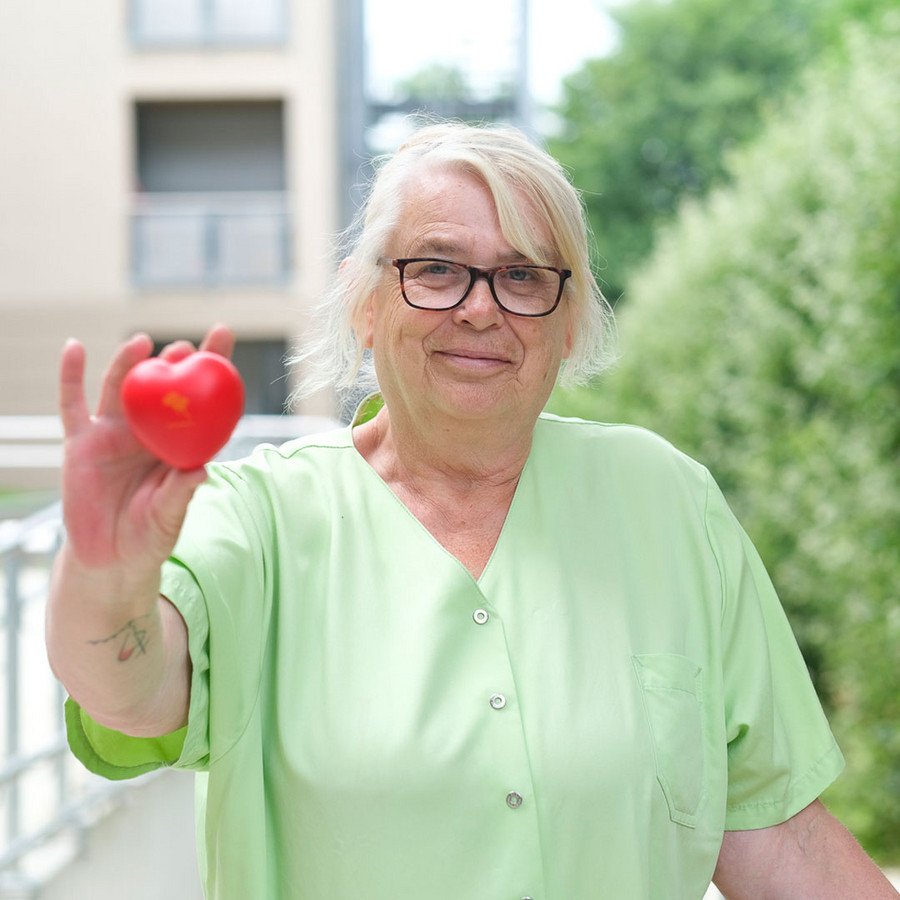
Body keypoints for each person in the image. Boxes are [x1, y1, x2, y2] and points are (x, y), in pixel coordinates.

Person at [47, 122, 896, 899]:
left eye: (523, 276)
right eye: (437, 269)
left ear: (567, 322)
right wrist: (103, 574)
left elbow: (776, 836)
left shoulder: (669, 503)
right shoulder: (259, 518)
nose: (481, 308)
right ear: (367, 303)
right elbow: (130, 693)